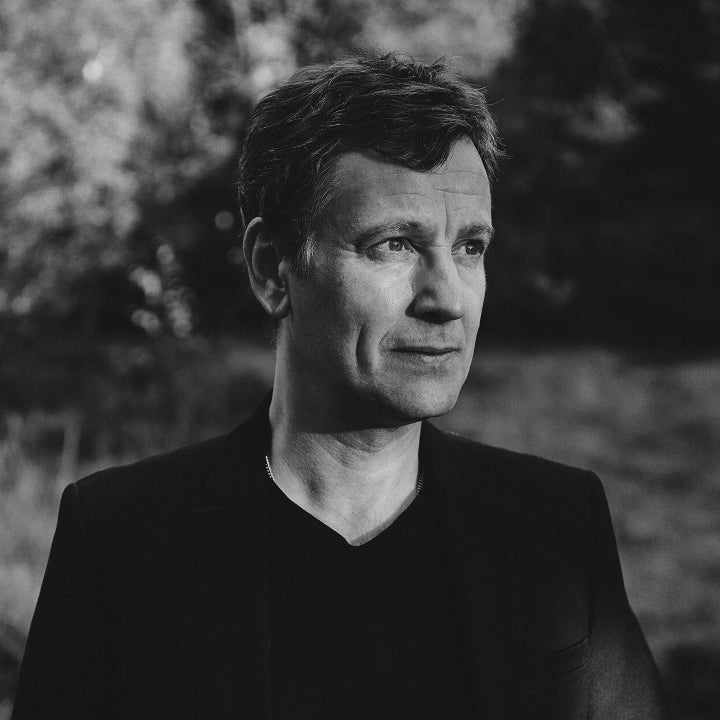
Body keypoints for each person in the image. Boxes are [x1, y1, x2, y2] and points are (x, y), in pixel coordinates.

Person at [12, 51, 668, 720]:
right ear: (273, 269)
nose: (447, 299)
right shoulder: (121, 540)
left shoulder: (557, 525)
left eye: (470, 247)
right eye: (395, 244)